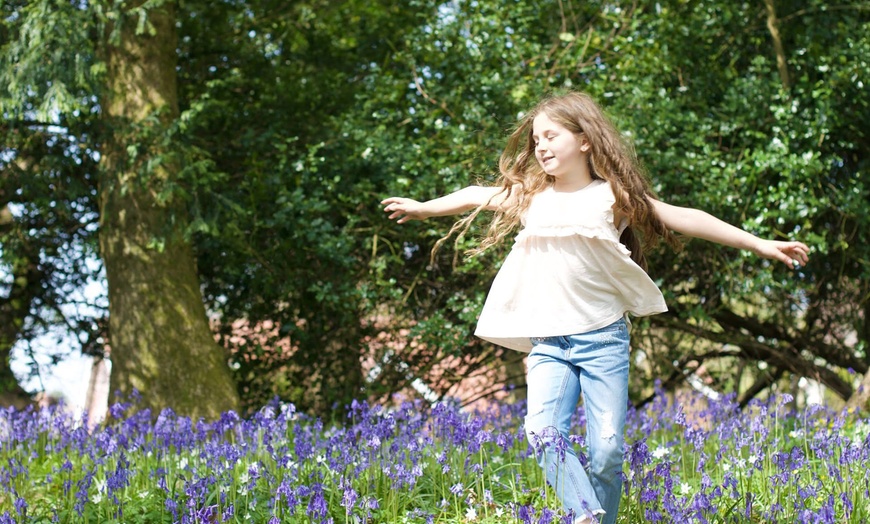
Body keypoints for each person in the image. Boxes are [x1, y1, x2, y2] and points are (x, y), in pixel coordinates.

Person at [380, 91, 809, 524]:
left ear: (584, 140)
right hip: (548, 343)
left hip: (603, 340)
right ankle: (583, 513)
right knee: (543, 433)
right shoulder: (531, 198)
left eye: (551, 135)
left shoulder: (611, 197)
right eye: (535, 140)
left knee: (606, 452)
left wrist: (759, 243)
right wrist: (423, 209)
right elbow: (475, 193)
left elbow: (687, 216)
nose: (541, 146)